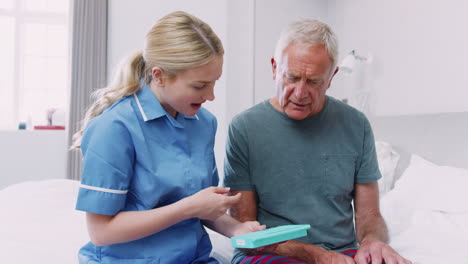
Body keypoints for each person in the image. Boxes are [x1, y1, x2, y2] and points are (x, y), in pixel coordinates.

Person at [72, 11, 265, 264]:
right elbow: (101, 232)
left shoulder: (203, 123)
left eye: (214, 82)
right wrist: (190, 208)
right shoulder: (114, 127)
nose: (211, 96)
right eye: (199, 86)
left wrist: (236, 229)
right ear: (159, 75)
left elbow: (203, 206)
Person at [224, 19, 412, 264]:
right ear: (274, 68)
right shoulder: (244, 128)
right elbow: (244, 233)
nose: (301, 93)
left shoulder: (357, 125)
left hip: (341, 253)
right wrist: (314, 254)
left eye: (314, 81)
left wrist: (371, 242)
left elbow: (369, 214)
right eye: (291, 77)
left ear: (331, 77)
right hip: (270, 252)